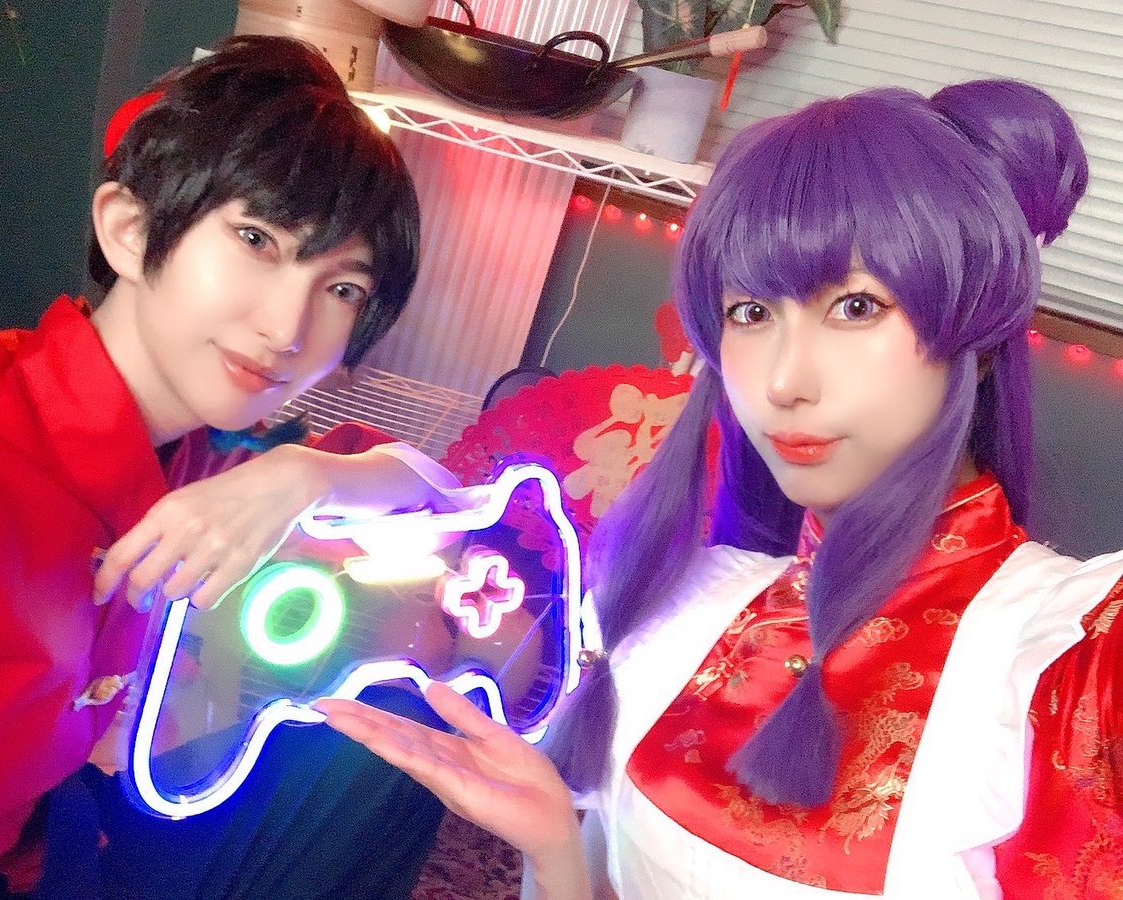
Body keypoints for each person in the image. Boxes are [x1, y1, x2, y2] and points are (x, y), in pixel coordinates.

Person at [317, 80, 1123, 898]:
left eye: (856, 306)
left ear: (976, 340)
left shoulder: (1070, 655)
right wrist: (555, 849)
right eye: (750, 313)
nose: (783, 381)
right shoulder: (688, 604)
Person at [0, 35, 457, 900]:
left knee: (399, 740)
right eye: (257, 238)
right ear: (130, 230)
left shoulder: (213, 453)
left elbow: (436, 490)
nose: (287, 328)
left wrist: (308, 477)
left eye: (342, 288)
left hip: (49, 839)